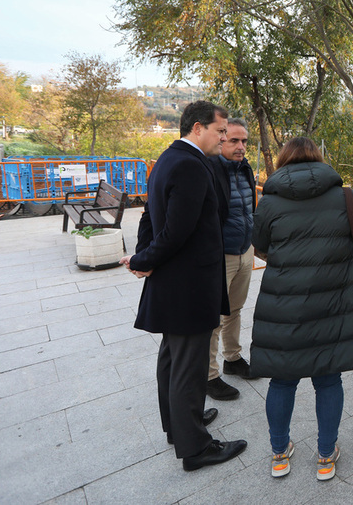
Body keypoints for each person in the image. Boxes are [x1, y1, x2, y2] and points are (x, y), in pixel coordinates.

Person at [120, 100, 248, 472]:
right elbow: (177, 230)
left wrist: (144, 256)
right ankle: (196, 449)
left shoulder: (167, 159)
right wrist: (143, 260)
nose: (223, 138)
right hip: (190, 284)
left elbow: (150, 217)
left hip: (173, 282)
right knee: (189, 367)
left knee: (172, 360)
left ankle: (179, 426)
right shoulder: (192, 166)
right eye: (220, 131)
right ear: (197, 128)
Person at [249, 137, 353, 480]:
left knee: (282, 380)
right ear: (319, 160)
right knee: (327, 378)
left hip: (284, 303)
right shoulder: (346, 198)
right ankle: (326, 456)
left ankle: (279, 454)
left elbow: (260, 246)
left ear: (283, 163)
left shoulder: (270, 202)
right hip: (334, 301)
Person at [206, 118, 258, 401]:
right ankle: (209, 376)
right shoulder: (210, 169)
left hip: (244, 250)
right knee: (213, 317)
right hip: (220, 255)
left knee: (234, 310)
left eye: (245, 141)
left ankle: (233, 359)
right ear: (221, 139)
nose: (241, 147)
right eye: (234, 140)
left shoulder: (245, 167)